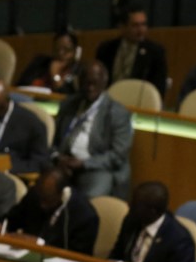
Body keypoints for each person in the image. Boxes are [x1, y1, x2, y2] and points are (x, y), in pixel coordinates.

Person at [52, 61, 134, 199]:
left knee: (89, 199)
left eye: (94, 83)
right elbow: (54, 140)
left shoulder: (117, 112)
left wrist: (84, 164)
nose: (90, 88)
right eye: (86, 83)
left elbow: (117, 156)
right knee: (46, 188)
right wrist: (57, 157)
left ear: (104, 82)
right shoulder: (69, 104)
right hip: (65, 163)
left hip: (98, 168)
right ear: (79, 81)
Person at [109, 181, 196, 262]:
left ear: (152, 211)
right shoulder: (130, 221)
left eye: (135, 204)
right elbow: (116, 255)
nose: (128, 205)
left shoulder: (179, 239)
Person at [5, 166, 99, 255]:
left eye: (48, 201)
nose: (42, 205)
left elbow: (79, 257)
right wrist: (2, 225)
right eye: (41, 198)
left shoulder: (86, 216)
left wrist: (39, 243)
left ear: (63, 194)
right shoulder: (36, 195)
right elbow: (12, 219)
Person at [95, 4, 168, 98]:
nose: (141, 30)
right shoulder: (106, 49)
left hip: (138, 102)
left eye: (143, 24)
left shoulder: (155, 52)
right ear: (122, 27)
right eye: (135, 25)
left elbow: (158, 88)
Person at [17, 31, 83, 95]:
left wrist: (55, 74)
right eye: (57, 49)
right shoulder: (41, 62)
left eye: (66, 50)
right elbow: (21, 86)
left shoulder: (77, 71)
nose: (60, 53)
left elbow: (65, 96)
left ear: (75, 52)